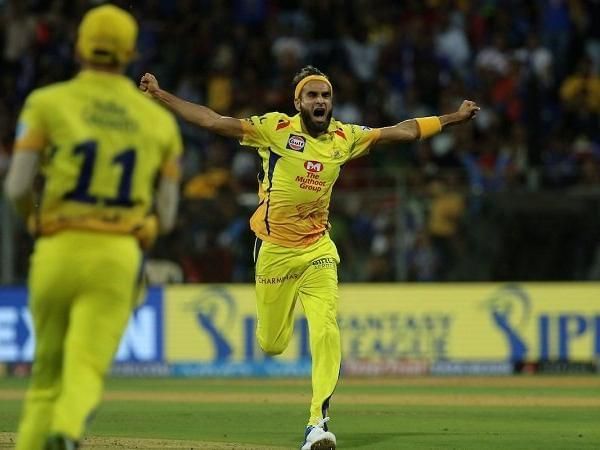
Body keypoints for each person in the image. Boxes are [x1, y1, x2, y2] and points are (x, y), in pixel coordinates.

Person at [140, 65, 479, 450]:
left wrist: (451, 118)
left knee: (326, 329)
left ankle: (317, 423)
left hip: (318, 247)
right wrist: (161, 95)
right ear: (297, 101)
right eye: (313, 95)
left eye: (326, 95)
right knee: (272, 343)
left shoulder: (344, 137)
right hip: (274, 250)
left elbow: (402, 131)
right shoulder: (275, 129)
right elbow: (214, 121)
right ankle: (297, 375)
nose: (321, 101)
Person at [4, 4, 183, 450]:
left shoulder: (46, 103)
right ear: (131, 52)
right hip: (116, 254)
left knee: (44, 377)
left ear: (80, 46)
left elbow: (18, 185)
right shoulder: (159, 122)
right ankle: (66, 432)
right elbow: (169, 213)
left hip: (57, 246)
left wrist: (34, 220)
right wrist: (146, 228)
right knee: (84, 365)